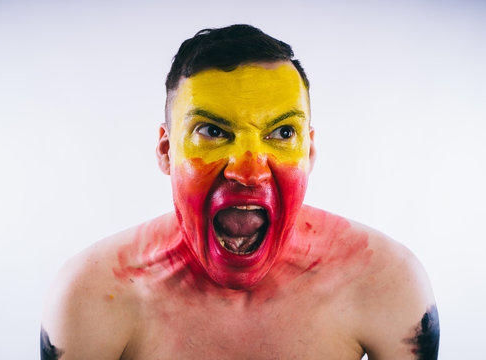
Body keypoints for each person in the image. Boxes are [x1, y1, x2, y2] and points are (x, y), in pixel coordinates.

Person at [41, 24, 439, 360]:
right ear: (166, 151)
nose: (248, 172)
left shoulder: (385, 283)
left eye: (283, 133)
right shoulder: (91, 298)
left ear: (309, 151)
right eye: (212, 131)